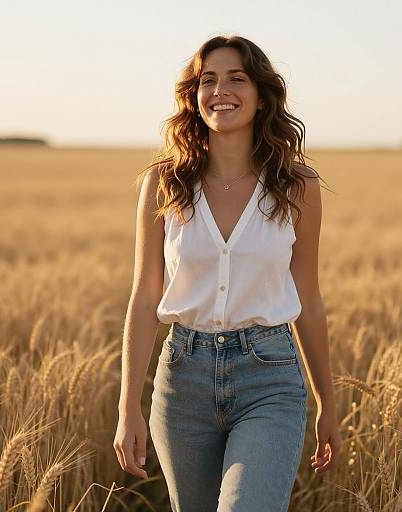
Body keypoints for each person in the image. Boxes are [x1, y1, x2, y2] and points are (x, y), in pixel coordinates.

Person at [114, 34, 342, 511]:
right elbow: (143, 298)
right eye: (208, 80)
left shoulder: (297, 186)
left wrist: (327, 404)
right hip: (182, 381)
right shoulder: (164, 183)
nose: (221, 90)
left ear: (261, 96)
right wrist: (128, 404)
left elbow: (310, 300)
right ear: (194, 99)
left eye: (237, 79)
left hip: (270, 379)